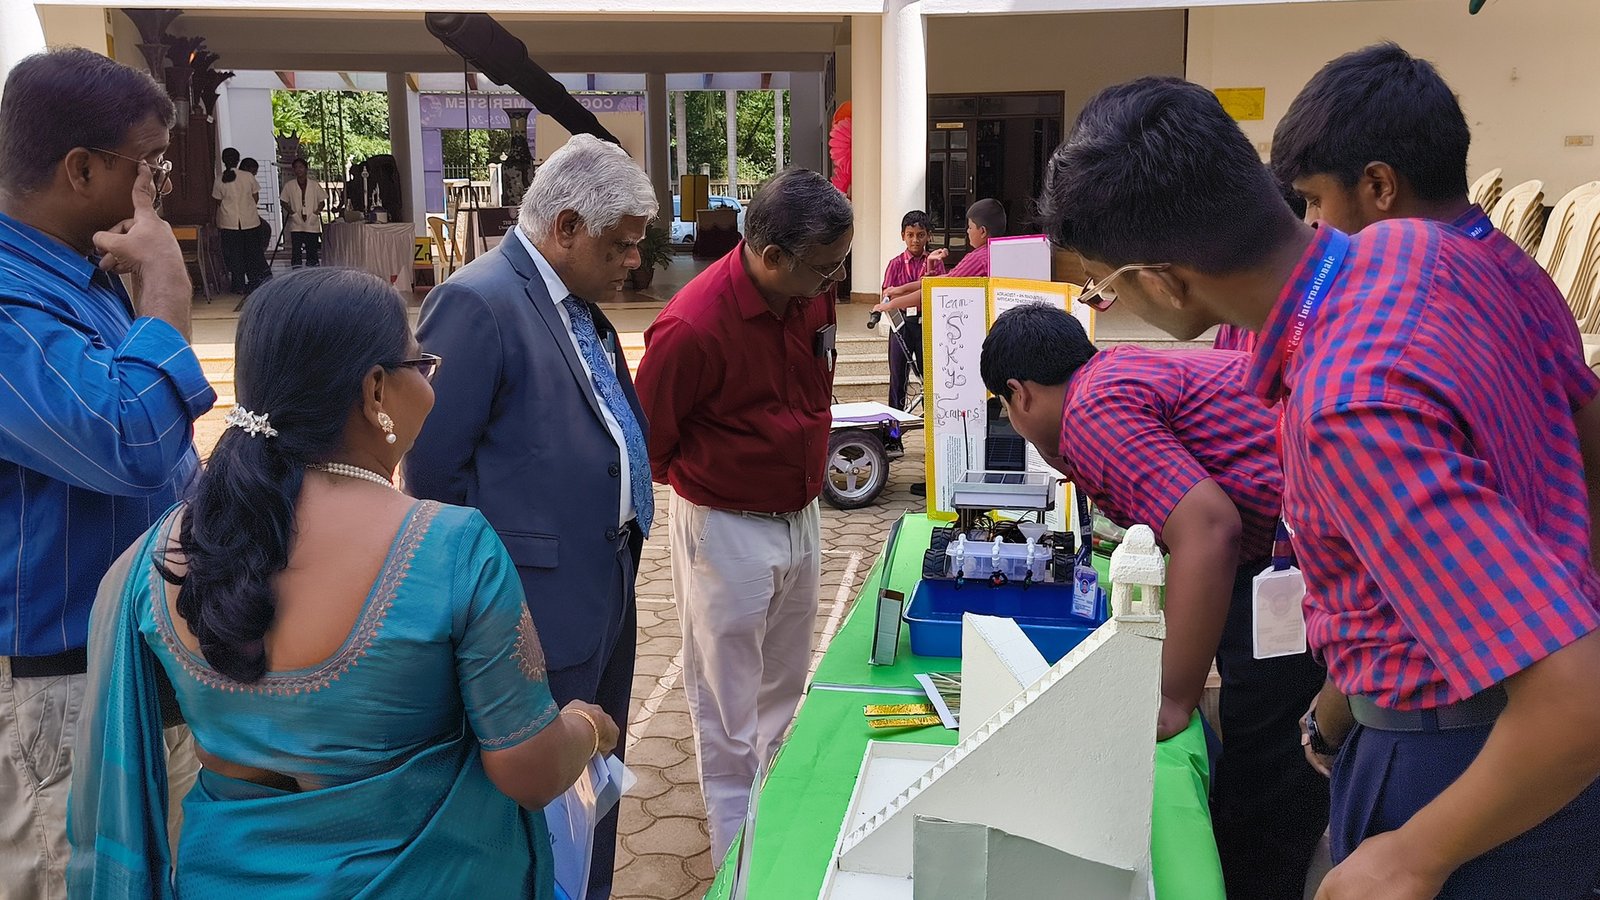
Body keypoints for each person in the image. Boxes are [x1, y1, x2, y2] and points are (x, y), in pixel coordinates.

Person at [1039, 75, 1600, 899]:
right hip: (1448, 716)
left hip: (1478, 765)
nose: (1111, 300)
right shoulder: (1420, 248)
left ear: (1161, 280)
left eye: (1105, 285)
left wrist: (1414, 856)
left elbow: (1575, 697)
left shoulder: (1347, 405)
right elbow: (1578, 430)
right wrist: (1340, 702)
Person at [67, 268, 616, 898]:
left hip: (224, 879)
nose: (430, 385)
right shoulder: (453, 547)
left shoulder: (162, 552)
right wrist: (587, 728)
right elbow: (529, 771)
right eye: (422, 365)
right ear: (376, 389)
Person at [981, 302, 1327, 899]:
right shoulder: (1113, 374)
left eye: (1006, 409)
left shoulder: (1089, 413)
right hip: (1275, 552)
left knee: (1268, 779)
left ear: (1020, 394)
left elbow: (1208, 529)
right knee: (1259, 753)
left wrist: (1171, 698)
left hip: (1299, 559)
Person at [404, 133, 654, 900]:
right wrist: (477, 614)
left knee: (594, 782)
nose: (633, 261)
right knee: (537, 808)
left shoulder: (576, 302)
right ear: (567, 228)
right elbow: (432, 475)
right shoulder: (478, 303)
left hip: (602, 585)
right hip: (528, 608)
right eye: (621, 245)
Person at [0, 48, 216, 899]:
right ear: (81, 169)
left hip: (134, 664)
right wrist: (166, 287)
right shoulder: (12, 300)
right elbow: (130, 442)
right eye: (149, 164)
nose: (158, 185)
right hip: (62, 692)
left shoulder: (80, 275)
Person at [1269, 41, 1600, 573]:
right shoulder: (1486, 267)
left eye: (1315, 200)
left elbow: (1588, 433)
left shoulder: (1463, 289)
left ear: (1379, 185)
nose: (1311, 223)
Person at [635, 167, 852, 863]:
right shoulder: (692, 326)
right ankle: (740, 866)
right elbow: (649, 443)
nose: (835, 281)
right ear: (772, 256)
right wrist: (724, 480)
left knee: (782, 690)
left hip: (800, 515)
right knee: (728, 711)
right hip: (725, 528)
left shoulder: (809, 294)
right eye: (825, 268)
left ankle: (776, 828)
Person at [877, 198, 1005, 314]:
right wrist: (900, 290)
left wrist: (891, 304)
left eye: (970, 227)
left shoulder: (977, 259)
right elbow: (941, 280)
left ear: (982, 231)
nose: (967, 231)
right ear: (903, 235)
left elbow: (937, 288)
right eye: (910, 235)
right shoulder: (1001, 253)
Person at [874, 210, 945, 411]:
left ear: (928, 236)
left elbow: (937, 291)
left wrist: (903, 294)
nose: (915, 240)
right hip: (901, 324)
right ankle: (895, 423)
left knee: (928, 375)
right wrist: (908, 295)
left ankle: (929, 420)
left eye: (920, 235)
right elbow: (887, 295)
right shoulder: (895, 264)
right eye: (910, 235)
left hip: (925, 323)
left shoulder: (935, 262)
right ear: (902, 236)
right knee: (898, 376)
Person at [213, 147, 264, 296]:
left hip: (229, 223)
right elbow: (255, 197)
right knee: (252, 253)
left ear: (224, 161)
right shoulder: (248, 177)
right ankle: (254, 281)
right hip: (250, 221)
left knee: (234, 255)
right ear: (238, 160)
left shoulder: (219, 179)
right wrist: (248, 207)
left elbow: (218, 200)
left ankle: (238, 285)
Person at [281, 157, 326, 268]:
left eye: (301, 167)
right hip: (297, 221)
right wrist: (292, 213)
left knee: (312, 249)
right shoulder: (289, 185)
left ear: (306, 169)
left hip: (311, 219)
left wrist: (315, 213)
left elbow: (322, 202)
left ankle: (312, 266)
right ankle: (296, 267)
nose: (298, 170)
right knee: (296, 248)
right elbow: (283, 201)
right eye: (296, 167)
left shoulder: (314, 185)